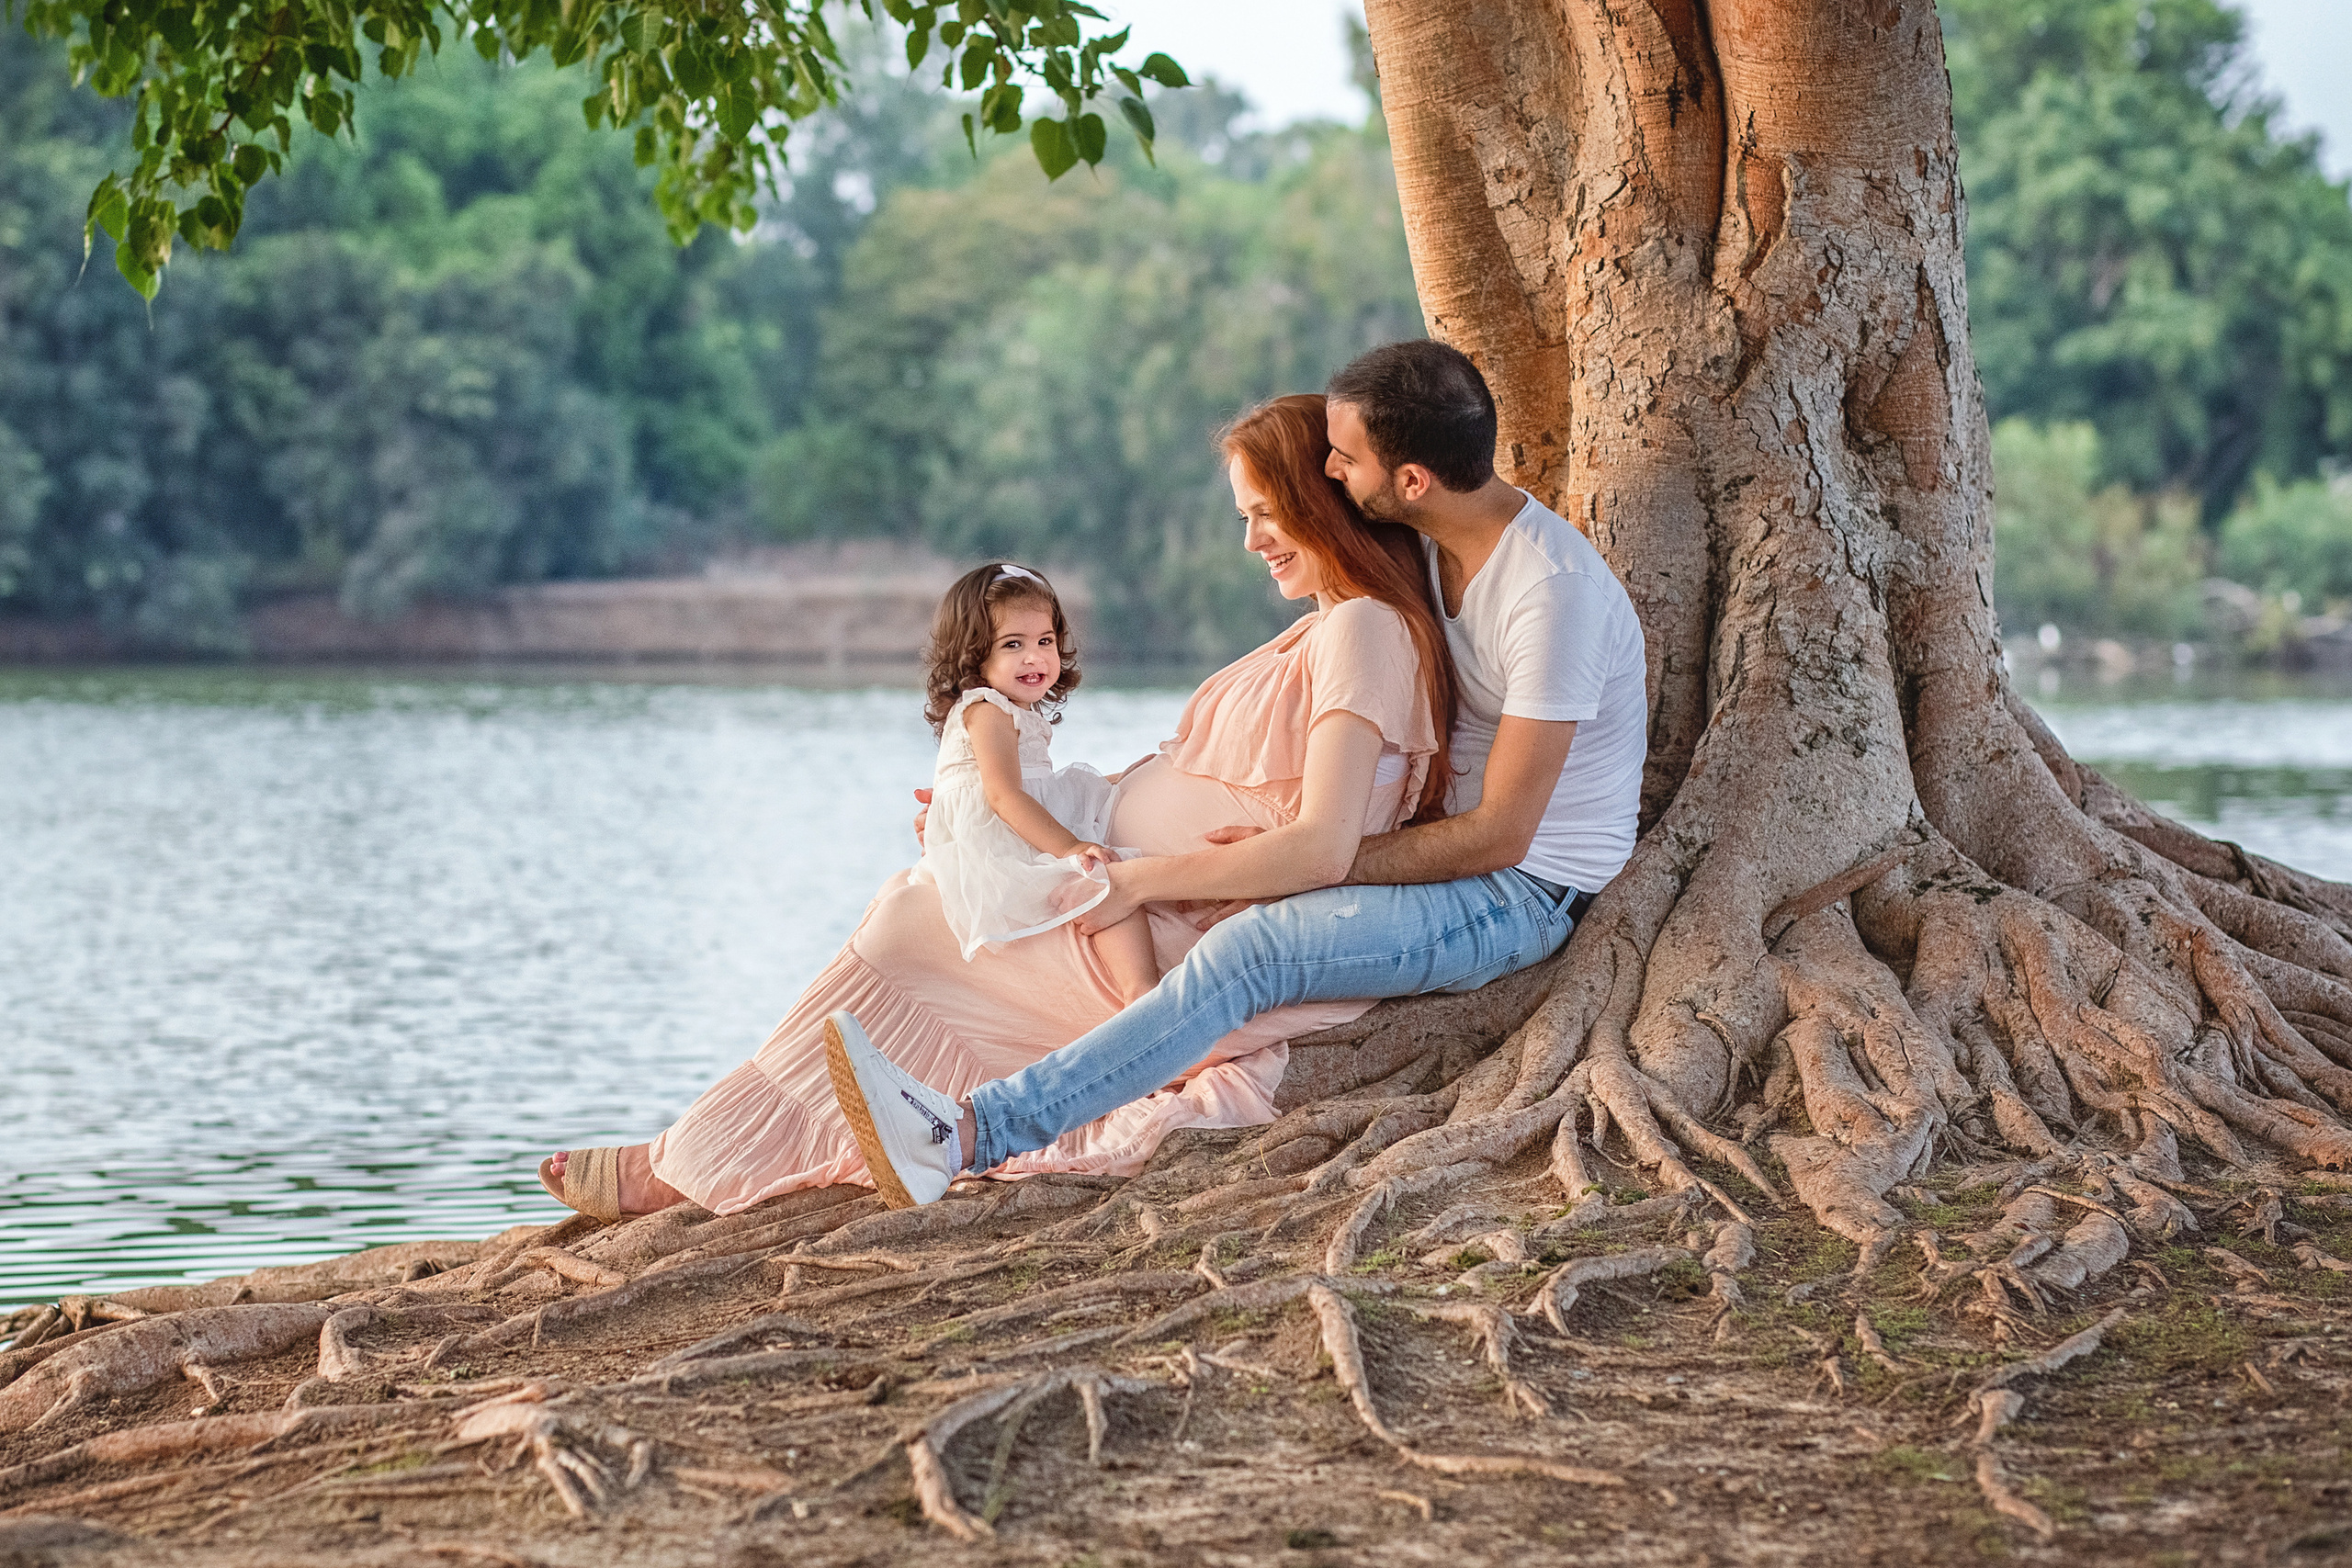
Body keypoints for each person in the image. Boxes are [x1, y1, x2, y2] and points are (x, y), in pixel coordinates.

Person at [538, 392, 1457, 1221]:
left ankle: (696, 1163)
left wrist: (1138, 880)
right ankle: (705, 1153)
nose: (1251, 540)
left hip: (1179, 915)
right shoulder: (1329, 626)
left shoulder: (1365, 629)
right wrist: (992, 816)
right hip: (1138, 891)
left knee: (907, 924)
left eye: (1266, 513)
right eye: (1245, 516)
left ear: (1326, 499)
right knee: (917, 903)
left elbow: (1324, 845)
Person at [826, 339, 1648, 1209]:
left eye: (1346, 458)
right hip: (1438, 857)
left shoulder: (1548, 593)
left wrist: (1304, 861)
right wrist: (995, 807)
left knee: (1257, 949)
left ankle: (964, 1133)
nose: (1330, 469)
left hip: (1519, 891)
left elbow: (1501, 835)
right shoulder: (1429, 550)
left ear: (1411, 479)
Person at [908, 560, 1158, 1003]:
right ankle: (1143, 992)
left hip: (1012, 824)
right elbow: (1004, 796)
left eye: (1045, 641)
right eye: (1012, 644)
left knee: (1121, 787)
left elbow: (1042, 786)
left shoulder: (1010, 711)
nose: (1034, 656)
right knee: (1102, 884)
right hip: (998, 848)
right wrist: (1071, 849)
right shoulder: (986, 710)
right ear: (974, 654)